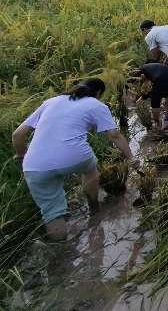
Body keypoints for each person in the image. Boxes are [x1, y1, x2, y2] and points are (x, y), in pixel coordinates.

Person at [12, 78, 136, 240]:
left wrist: (22, 158)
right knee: (90, 169)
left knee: (52, 212)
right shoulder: (96, 104)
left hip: (35, 165)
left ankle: (61, 250)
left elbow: (18, 135)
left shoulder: (51, 101)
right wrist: (131, 157)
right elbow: (114, 135)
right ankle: (94, 208)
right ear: (98, 92)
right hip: (76, 156)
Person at [134, 63, 168, 130]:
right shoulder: (150, 67)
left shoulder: (142, 71)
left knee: (155, 102)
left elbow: (151, 90)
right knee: (166, 96)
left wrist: (143, 97)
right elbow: (151, 89)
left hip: (161, 78)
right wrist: (143, 97)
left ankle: (157, 124)